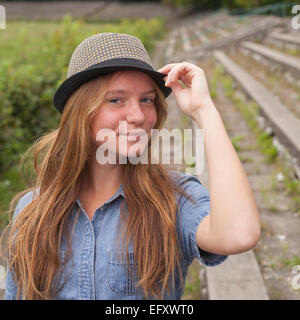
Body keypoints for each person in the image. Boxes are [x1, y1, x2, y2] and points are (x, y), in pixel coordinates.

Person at [2, 32, 260, 300]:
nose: (138, 116)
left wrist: (204, 111)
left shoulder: (173, 200)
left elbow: (239, 234)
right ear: (80, 112)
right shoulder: (33, 210)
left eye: (147, 100)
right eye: (116, 100)